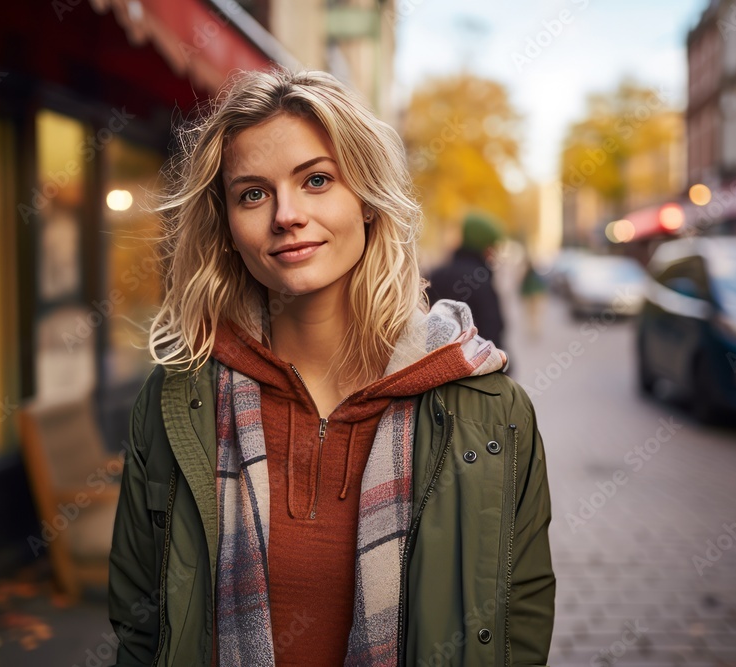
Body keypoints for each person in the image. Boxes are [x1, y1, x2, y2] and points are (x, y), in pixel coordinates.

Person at [108, 68, 555, 667]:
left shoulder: (493, 414)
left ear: (368, 201)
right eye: (252, 193)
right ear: (228, 230)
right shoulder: (177, 399)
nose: (286, 215)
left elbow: (513, 628)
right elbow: (142, 628)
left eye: (316, 180)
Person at [425, 212, 508, 353]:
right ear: (482, 245)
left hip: (432, 364)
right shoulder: (482, 280)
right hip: (473, 366)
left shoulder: (437, 275)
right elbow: (493, 329)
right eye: (492, 247)